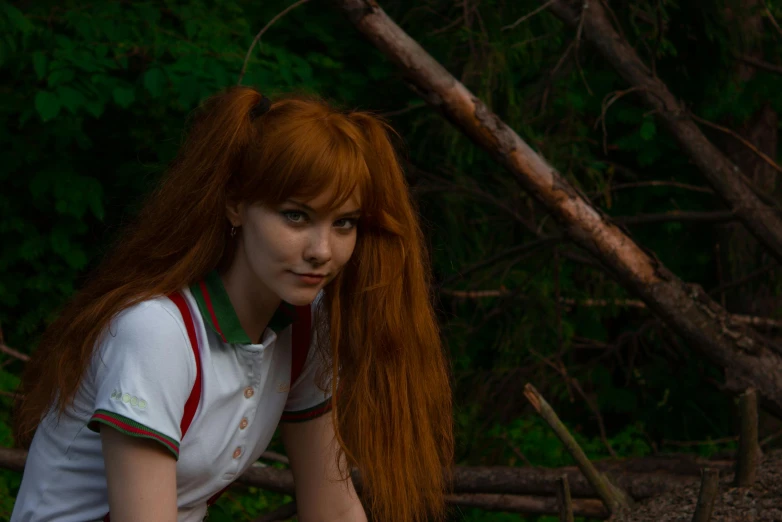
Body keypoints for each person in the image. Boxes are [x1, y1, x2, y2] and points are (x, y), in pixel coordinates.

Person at [11, 86, 454, 522]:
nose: (322, 249)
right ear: (235, 207)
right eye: (296, 215)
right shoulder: (157, 332)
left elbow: (332, 507)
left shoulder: (304, 327)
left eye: (344, 223)